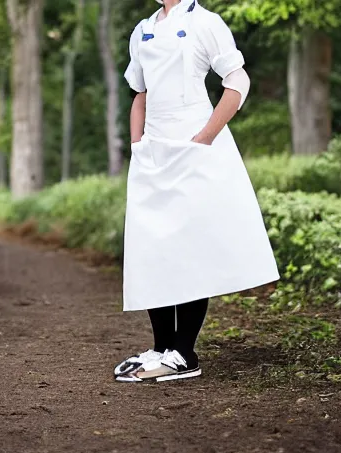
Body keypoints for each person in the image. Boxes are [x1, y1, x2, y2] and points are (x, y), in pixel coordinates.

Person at [115, 0, 280, 383]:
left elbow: (238, 82)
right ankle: (161, 348)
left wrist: (204, 137)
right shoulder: (142, 29)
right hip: (153, 152)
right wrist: (137, 144)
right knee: (152, 248)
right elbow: (140, 94)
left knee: (190, 248)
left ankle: (184, 352)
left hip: (195, 145)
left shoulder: (207, 23)